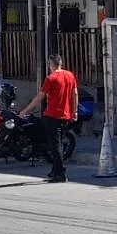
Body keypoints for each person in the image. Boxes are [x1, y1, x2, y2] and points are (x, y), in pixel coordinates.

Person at [17, 53, 78, 183]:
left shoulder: (51, 78)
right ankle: (55, 170)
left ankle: (60, 173)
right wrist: (75, 112)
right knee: (59, 143)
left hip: (53, 116)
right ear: (61, 62)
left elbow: (39, 98)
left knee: (55, 146)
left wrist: (25, 111)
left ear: (51, 64)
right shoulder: (70, 76)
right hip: (66, 116)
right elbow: (75, 95)